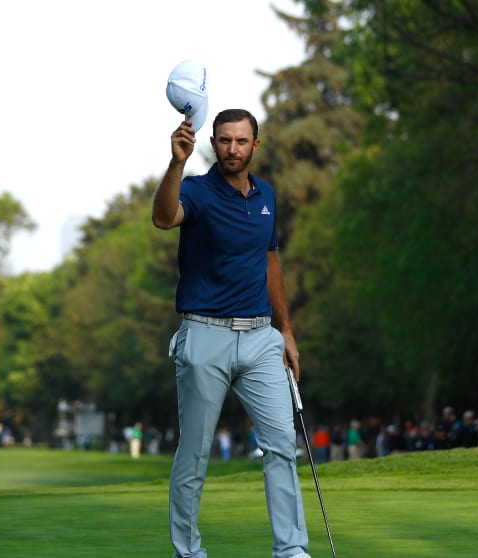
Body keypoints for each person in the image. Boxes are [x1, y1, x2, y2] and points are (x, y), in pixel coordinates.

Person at [153, 108, 310, 558]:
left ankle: (291, 549)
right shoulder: (197, 190)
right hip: (205, 336)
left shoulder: (267, 196)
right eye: (224, 140)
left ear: (255, 145)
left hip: (262, 338)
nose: (232, 149)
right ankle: (188, 552)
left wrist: (287, 331)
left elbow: (269, 261)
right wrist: (176, 162)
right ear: (214, 143)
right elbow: (164, 218)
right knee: (195, 454)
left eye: (241, 141)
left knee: (281, 446)